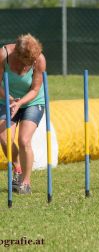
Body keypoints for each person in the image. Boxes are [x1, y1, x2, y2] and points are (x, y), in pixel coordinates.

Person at [0, 34, 46, 194]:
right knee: (4, 139)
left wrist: (19, 103)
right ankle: (17, 168)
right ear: (19, 56)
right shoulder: (3, 55)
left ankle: (25, 182)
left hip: (32, 102)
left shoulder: (39, 59)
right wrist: (11, 99)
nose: (34, 62)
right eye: (30, 60)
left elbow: (35, 89)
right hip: (6, 100)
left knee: (24, 140)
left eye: (35, 58)